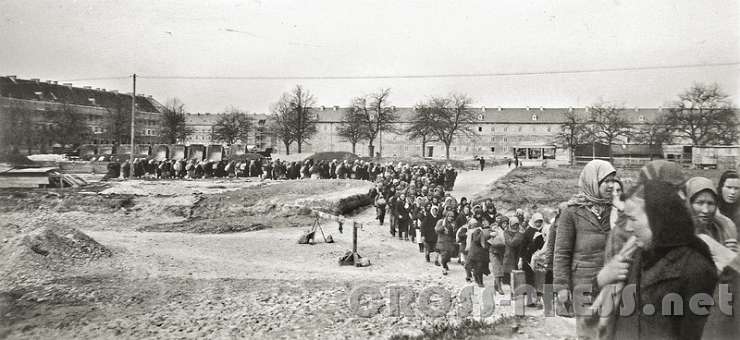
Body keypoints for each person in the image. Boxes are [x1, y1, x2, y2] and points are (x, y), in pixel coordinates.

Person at [595, 179, 718, 340]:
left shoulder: (696, 269)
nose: (628, 228)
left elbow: (697, 333)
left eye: (633, 219)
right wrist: (600, 279)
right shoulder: (636, 256)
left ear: (657, 219)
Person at [553, 159, 616, 340]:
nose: (611, 186)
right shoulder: (571, 212)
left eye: (613, 180)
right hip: (583, 284)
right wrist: (562, 287)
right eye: (606, 181)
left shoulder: (615, 210)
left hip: (611, 284)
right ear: (593, 182)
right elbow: (562, 252)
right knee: (588, 333)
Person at [685, 177, 738, 251]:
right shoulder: (679, 231)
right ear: (688, 203)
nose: (706, 210)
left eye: (710, 203)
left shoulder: (726, 227)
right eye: (700, 203)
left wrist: (732, 253)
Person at [520, 212, 545, 307]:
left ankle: (539, 301)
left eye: (540, 221)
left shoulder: (544, 230)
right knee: (530, 280)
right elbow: (523, 247)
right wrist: (521, 259)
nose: (538, 224)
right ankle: (530, 301)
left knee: (539, 279)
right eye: (537, 222)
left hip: (540, 259)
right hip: (528, 259)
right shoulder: (529, 231)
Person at [466, 220, 491, 287]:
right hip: (476, 252)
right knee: (477, 267)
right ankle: (478, 281)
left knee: (479, 267)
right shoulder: (477, 231)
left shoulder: (479, 231)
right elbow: (476, 240)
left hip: (479, 253)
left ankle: (478, 281)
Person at [435, 211, 457, 275]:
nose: (451, 218)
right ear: (447, 216)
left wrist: (454, 230)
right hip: (442, 241)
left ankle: (445, 263)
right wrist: (443, 228)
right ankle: (444, 268)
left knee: (448, 255)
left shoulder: (453, 223)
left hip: (449, 242)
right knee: (444, 255)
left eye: (452, 217)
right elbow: (436, 229)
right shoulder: (441, 222)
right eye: (450, 216)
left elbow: (453, 232)